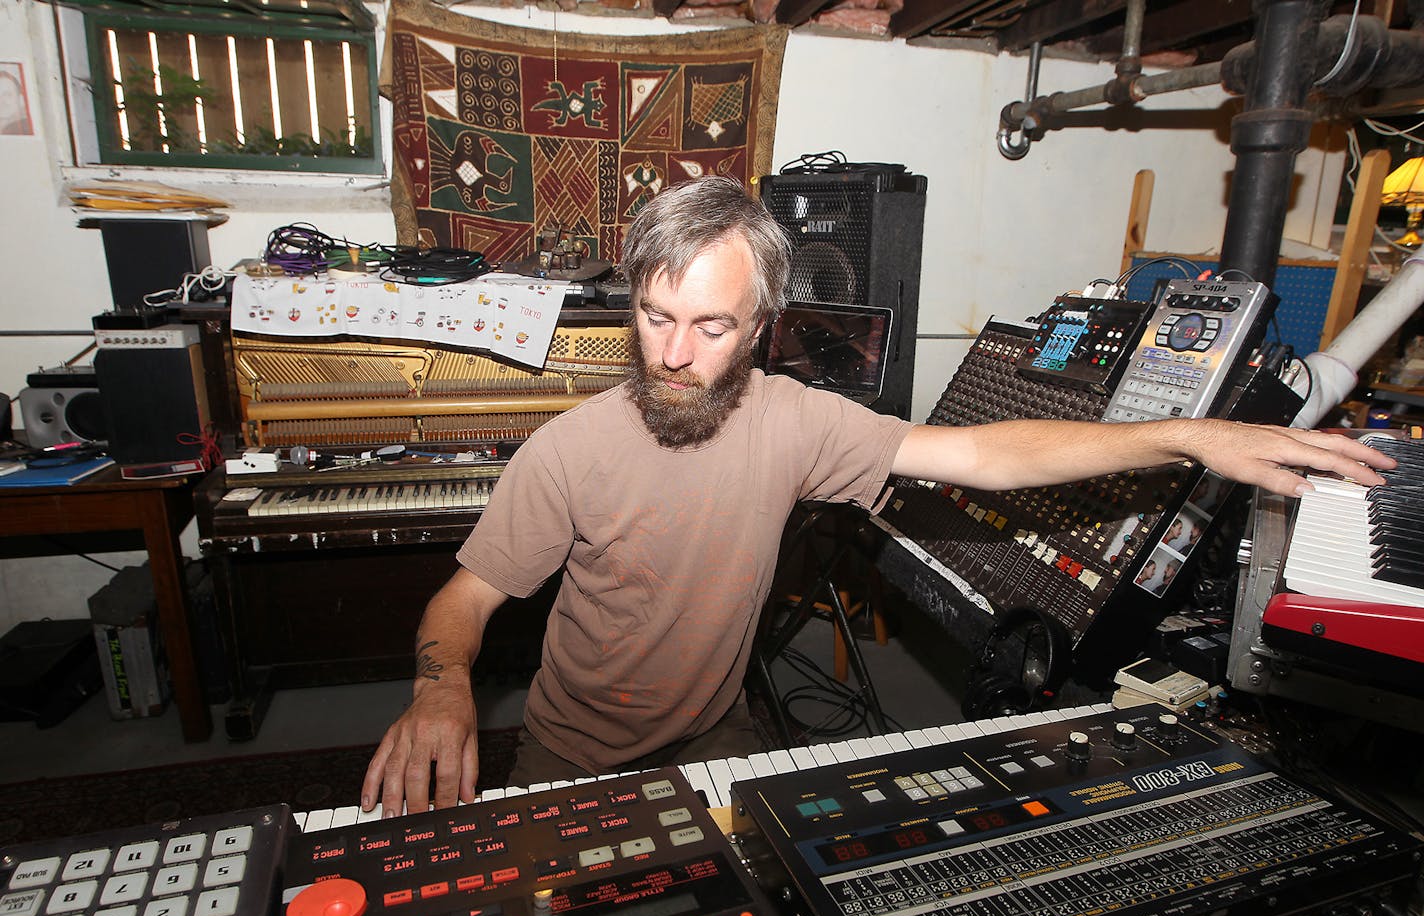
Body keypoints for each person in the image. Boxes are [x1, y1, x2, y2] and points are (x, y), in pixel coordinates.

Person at [361, 176, 1394, 817]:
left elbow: (986, 455)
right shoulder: (569, 449)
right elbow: (465, 601)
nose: (673, 355)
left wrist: (1183, 430)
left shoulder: (795, 420)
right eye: (653, 316)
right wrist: (441, 685)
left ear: (761, 326)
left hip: (716, 731)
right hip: (573, 750)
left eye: (710, 327)